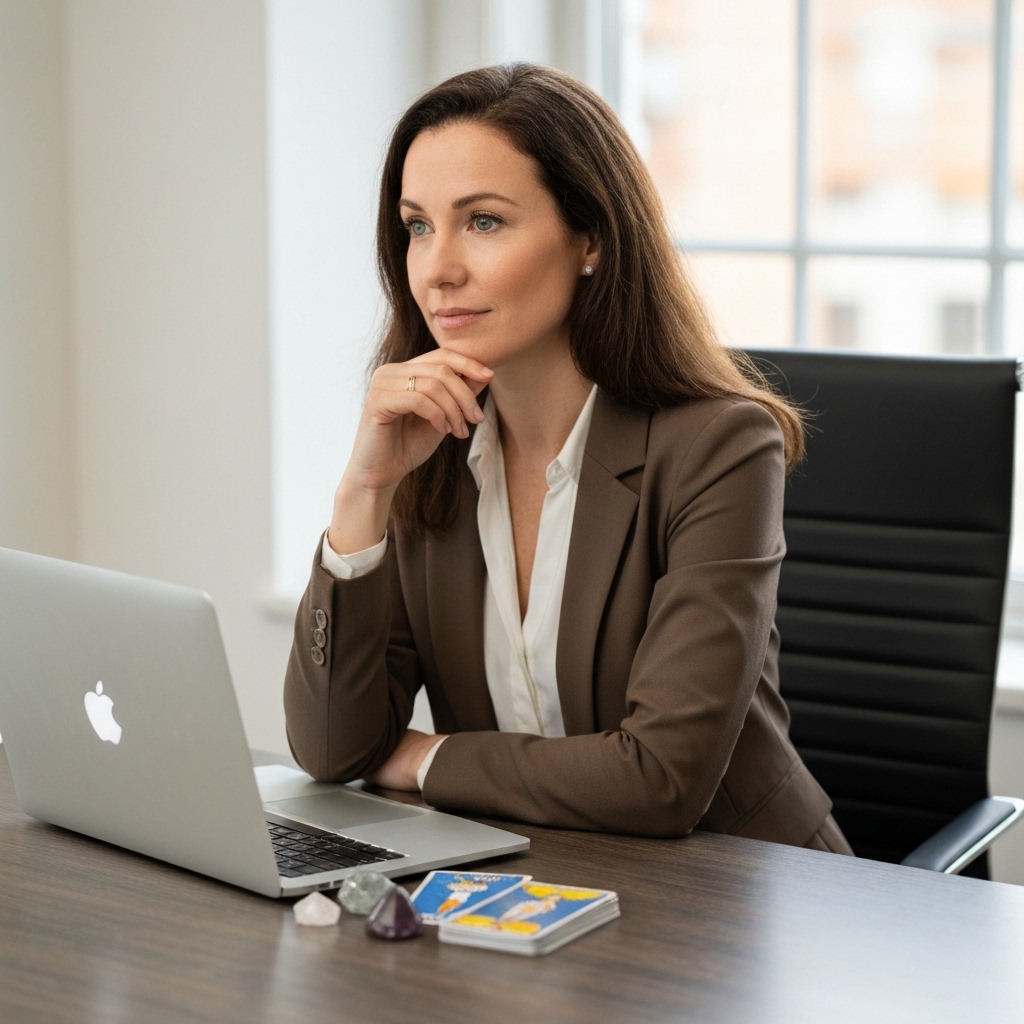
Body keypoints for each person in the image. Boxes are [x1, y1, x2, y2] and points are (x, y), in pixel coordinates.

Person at [283, 63, 852, 853]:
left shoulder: (719, 446)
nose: (438, 268)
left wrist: (428, 758)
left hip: (737, 902)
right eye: (418, 226)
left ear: (589, 238)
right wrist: (364, 491)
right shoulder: (430, 447)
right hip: (531, 883)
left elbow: (659, 780)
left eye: (483, 222)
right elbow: (331, 749)